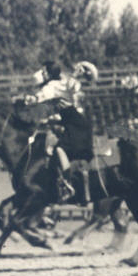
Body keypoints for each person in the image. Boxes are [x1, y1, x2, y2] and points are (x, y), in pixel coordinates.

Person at [31, 60, 98, 201]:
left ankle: (67, 182)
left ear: (49, 74)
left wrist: (23, 99)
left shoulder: (51, 86)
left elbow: (36, 98)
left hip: (75, 125)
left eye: (44, 71)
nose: (41, 73)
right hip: (78, 123)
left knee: (60, 149)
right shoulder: (62, 82)